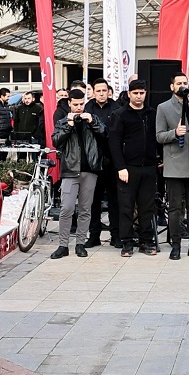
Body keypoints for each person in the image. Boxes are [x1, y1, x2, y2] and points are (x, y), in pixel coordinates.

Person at [155, 73, 189, 259]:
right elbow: (159, 136)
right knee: (175, 208)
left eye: (185, 83)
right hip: (175, 164)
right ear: (172, 87)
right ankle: (175, 245)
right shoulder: (163, 108)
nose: (183, 86)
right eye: (179, 83)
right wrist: (175, 133)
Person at [50, 88, 104, 260]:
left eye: (81, 104)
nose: (79, 108)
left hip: (90, 169)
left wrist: (92, 121)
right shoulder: (62, 121)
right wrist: (69, 125)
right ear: (69, 104)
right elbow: (56, 141)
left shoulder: (92, 118)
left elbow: (105, 134)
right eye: (76, 104)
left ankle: (80, 243)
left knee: (85, 209)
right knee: (66, 208)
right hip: (70, 169)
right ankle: (63, 245)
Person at [109, 79, 160, 256]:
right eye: (135, 93)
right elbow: (114, 143)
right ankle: (127, 243)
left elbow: (157, 137)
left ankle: (146, 242)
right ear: (129, 94)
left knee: (147, 207)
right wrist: (120, 167)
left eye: (142, 93)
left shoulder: (152, 113)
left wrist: (159, 158)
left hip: (149, 167)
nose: (139, 96)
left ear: (146, 93)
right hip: (128, 168)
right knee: (126, 207)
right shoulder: (120, 114)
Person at [84, 79, 120, 249]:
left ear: (109, 91)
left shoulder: (116, 108)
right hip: (93, 161)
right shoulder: (87, 108)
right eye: (98, 90)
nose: (101, 93)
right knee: (93, 200)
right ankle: (94, 235)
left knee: (115, 200)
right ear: (93, 92)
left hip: (112, 159)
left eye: (104, 90)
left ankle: (116, 235)